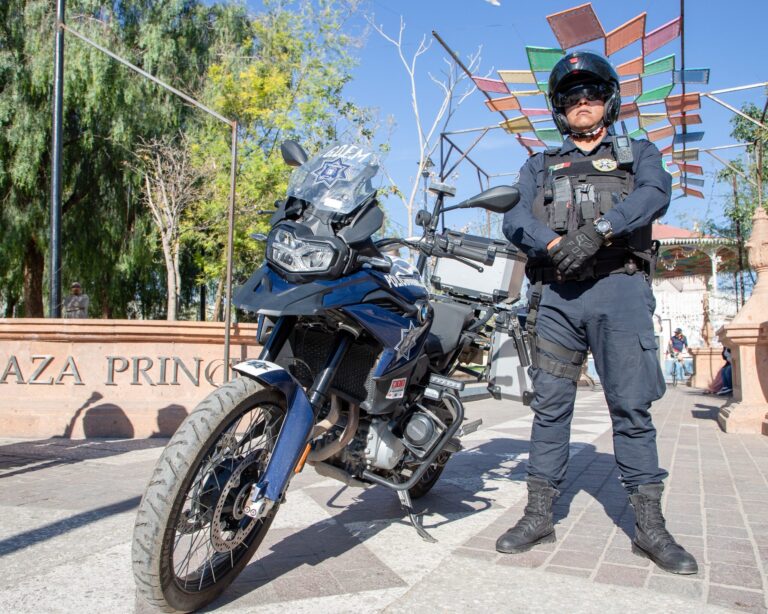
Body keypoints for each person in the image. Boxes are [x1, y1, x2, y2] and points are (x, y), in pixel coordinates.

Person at [498, 51, 697, 575]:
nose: (581, 102)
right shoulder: (537, 165)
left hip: (619, 291)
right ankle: (539, 514)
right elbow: (514, 218)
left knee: (631, 409)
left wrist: (600, 232)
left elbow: (656, 194)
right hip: (559, 297)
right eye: (570, 96)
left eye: (590, 93)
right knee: (550, 407)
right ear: (559, 108)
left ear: (608, 99)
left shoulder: (638, 153)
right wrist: (554, 240)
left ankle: (649, 528)